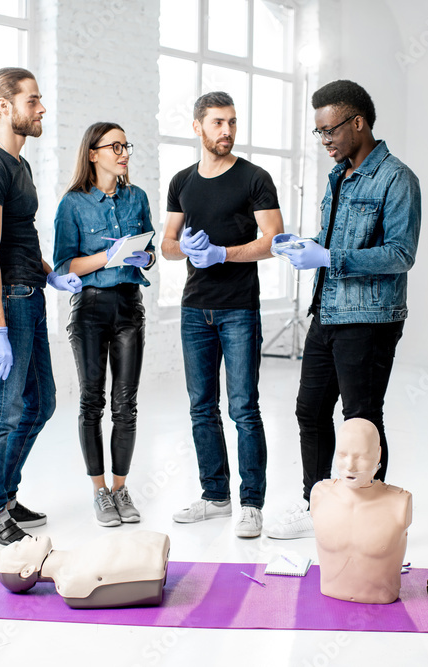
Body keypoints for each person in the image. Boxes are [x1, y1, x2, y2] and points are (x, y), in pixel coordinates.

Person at [266, 79, 421, 540]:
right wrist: (306, 245)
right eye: (318, 133)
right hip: (327, 312)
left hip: (370, 319)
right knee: (310, 411)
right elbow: (337, 237)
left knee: (362, 420)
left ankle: (371, 517)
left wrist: (331, 258)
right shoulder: (340, 176)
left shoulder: (397, 178)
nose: (324, 141)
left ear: (358, 123)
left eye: (329, 131)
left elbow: (400, 254)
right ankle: (317, 504)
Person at [0, 67, 83, 550]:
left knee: (40, 403)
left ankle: (5, 497)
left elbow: (19, 239)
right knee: (4, 409)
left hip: (28, 295)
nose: (41, 109)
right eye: (32, 100)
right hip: (7, 304)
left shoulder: (19, 165)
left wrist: (49, 272)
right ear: (4, 105)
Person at [161, 91, 284, 538]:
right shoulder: (182, 181)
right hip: (194, 309)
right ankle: (215, 497)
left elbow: (273, 239)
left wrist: (222, 253)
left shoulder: (254, 178)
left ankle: (251, 503)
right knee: (201, 407)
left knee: (244, 408)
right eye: (217, 123)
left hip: (238, 309)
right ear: (197, 127)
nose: (227, 131)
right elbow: (167, 245)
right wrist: (185, 250)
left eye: (232, 122)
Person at [53, 122, 156, 528]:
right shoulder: (73, 204)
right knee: (91, 402)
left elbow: (149, 254)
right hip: (90, 309)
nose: (123, 152)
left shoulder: (137, 198)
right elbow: (64, 264)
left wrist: (140, 258)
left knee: (126, 405)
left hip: (129, 307)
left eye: (126, 145)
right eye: (115, 146)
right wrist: (107, 257)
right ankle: (99, 491)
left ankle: (120, 489)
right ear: (93, 153)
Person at [311, 418, 412, 604]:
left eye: (361, 457)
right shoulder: (319, 494)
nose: (350, 466)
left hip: (382, 603)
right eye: (342, 455)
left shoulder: (399, 502)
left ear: (378, 454)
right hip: (329, 595)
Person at [0, 531, 171, 608]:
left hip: (152, 548)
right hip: (151, 559)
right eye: (18, 547)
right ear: (27, 571)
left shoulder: (76, 557)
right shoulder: (71, 583)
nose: (26, 538)